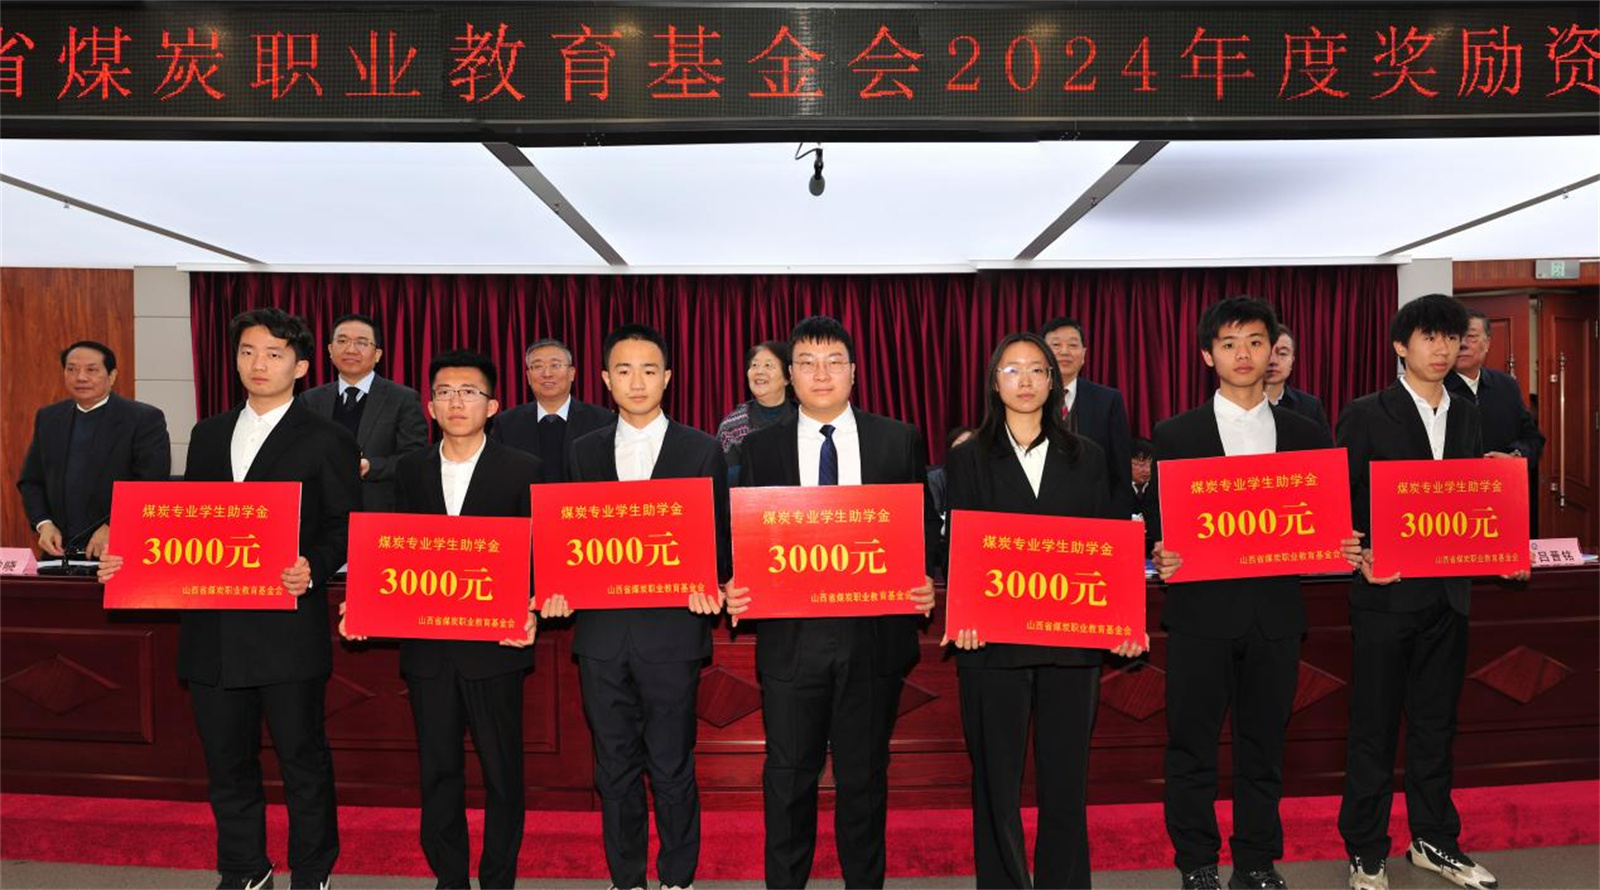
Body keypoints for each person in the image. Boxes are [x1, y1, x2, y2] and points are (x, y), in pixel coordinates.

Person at [97, 307, 361, 890]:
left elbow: (344, 525)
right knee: (226, 761)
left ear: (301, 366)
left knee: (302, 760)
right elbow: (189, 525)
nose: (258, 363)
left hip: (286, 629)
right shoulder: (209, 433)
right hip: (212, 629)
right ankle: (245, 868)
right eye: (247, 352)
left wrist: (313, 567)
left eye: (273, 353)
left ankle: (311, 871)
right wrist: (129, 560)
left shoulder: (329, 438)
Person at [724, 315, 939, 889]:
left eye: (833, 362)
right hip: (791, 640)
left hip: (873, 638)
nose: (821, 374)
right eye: (807, 363)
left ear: (854, 372)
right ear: (790, 376)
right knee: (788, 777)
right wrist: (736, 583)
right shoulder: (759, 448)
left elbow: (923, 531)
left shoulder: (897, 439)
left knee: (863, 778)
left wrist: (924, 578)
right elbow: (744, 539)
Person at [1147, 296, 1353, 890]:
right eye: (1230, 343)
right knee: (1191, 748)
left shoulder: (1306, 434)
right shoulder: (1175, 434)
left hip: (1275, 617)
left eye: (1256, 342)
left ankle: (1257, 861)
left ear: (1273, 352)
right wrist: (1162, 549)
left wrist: (1341, 542)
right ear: (1207, 355)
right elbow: (1161, 524)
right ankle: (1197, 862)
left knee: (1263, 749)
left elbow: (1322, 520)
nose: (1244, 354)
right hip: (1199, 617)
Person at [942, 332, 1147, 889]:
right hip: (991, 646)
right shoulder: (967, 458)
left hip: (1071, 644)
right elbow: (958, 547)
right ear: (994, 382)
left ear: (1054, 382)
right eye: (1012, 370)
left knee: (1065, 784)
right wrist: (963, 613)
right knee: (995, 786)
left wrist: (1124, 621)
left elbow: (1108, 545)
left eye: (1037, 369)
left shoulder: (1089, 457)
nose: (1026, 380)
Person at [1337, 294, 1526, 890]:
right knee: (1373, 729)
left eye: (1451, 337)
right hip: (1385, 596)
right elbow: (1343, 504)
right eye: (1429, 337)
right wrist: (1359, 555)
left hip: (1449, 596)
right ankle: (1366, 850)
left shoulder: (1468, 414)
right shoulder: (1365, 413)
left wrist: (1501, 544)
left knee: (1437, 726)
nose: (1443, 348)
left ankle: (1434, 840)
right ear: (1401, 345)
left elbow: (1465, 504)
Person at [541, 324, 733, 890]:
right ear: (605, 379)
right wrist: (557, 587)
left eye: (649, 370)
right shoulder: (583, 451)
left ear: (668, 378)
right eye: (624, 370)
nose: (637, 381)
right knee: (614, 766)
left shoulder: (701, 448)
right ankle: (625, 877)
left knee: (672, 764)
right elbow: (571, 541)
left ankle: (677, 876)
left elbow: (719, 540)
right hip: (601, 638)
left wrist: (714, 583)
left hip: (673, 634)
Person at [340, 349, 540, 890]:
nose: (456, 402)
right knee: (438, 772)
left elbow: (538, 555)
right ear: (429, 407)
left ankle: (497, 880)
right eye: (445, 392)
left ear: (492, 406)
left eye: (469, 392)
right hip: (428, 650)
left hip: (495, 649)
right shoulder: (411, 469)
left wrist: (532, 607)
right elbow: (395, 550)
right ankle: (450, 878)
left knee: (503, 775)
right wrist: (365, 602)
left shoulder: (524, 469)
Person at [17, 340, 171, 559]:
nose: (80, 377)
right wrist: (44, 523)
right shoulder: (49, 418)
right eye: (72, 369)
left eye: (91, 370)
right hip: (59, 553)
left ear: (112, 375)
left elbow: (150, 483)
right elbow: (31, 480)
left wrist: (114, 526)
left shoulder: (143, 419)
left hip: (118, 552)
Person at [298, 313, 430, 513]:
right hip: (321, 511)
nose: (350, 349)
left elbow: (413, 458)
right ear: (330, 350)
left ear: (377, 354)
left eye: (361, 343)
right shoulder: (310, 399)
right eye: (342, 341)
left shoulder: (403, 399)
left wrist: (370, 466)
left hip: (377, 511)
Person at [1444, 309, 1545, 536]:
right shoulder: (1433, 389)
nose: (1462, 344)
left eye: (1471, 336)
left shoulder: (1506, 386)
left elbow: (1533, 437)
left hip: (1501, 501)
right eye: (1454, 337)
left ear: (1487, 343)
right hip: (1451, 506)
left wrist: (1515, 457)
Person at [491, 338, 613, 483]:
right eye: (537, 366)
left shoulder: (602, 421)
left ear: (571, 373)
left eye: (555, 365)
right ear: (528, 377)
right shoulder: (506, 424)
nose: (547, 373)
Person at [1039, 318, 1133, 500]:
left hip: (1092, 509)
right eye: (1056, 345)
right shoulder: (1025, 397)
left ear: (1083, 354)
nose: (1064, 351)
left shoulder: (1108, 401)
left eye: (1073, 345)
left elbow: (1120, 470)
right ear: (1041, 352)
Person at [716, 340, 797, 484]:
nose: (759, 371)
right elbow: (723, 479)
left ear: (787, 378)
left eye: (768, 365)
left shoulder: (803, 418)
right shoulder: (732, 425)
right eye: (754, 365)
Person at [1263, 325, 1332, 439]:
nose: (1273, 361)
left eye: (1282, 354)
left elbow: (1326, 449)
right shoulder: (1236, 405)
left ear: (1292, 361)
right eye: (1267, 353)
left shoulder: (1310, 407)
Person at [927, 425, 976, 579]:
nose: (965, 449)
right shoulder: (936, 478)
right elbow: (934, 518)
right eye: (960, 444)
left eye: (970, 444)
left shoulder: (983, 479)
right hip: (946, 544)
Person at [1127, 437, 1156, 521]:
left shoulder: (1157, 488)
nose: (1147, 470)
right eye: (1141, 465)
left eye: (1150, 464)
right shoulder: (1118, 490)